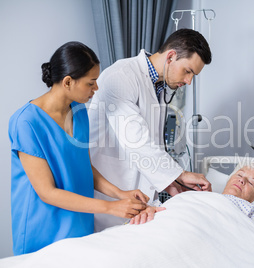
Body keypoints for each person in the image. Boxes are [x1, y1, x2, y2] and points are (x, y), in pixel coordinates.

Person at [8, 41, 151, 255]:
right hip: (44, 227)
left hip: (79, 223)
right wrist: (110, 207)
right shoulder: (26, 122)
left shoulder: (79, 112)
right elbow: (47, 193)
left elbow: (83, 166)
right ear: (68, 82)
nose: (96, 89)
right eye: (91, 83)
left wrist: (120, 194)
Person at [88, 28, 213, 231]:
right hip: (110, 195)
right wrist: (179, 174)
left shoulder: (158, 87)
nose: (189, 81)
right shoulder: (121, 77)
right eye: (188, 71)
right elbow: (136, 139)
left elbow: (152, 144)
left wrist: (169, 182)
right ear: (171, 56)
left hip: (139, 200)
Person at [130, 159, 254, 235]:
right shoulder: (197, 196)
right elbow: (169, 207)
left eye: (251, 183)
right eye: (239, 175)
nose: (242, 180)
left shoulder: (252, 210)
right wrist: (149, 209)